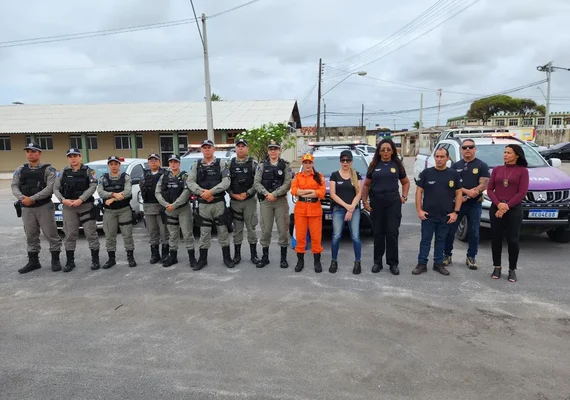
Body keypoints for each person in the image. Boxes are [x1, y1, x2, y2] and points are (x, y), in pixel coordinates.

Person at [11, 142, 62, 274]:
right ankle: (34, 261)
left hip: (43, 206)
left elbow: (50, 188)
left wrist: (32, 198)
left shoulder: (48, 169)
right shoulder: (21, 169)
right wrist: (22, 198)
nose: (30, 154)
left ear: (40, 153)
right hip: (27, 208)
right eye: (28, 151)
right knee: (30, 235)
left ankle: (55, 260)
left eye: (33, 151)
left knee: (51, 234)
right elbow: (14, 186)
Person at [362, 139, 410, 275]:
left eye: (388, 149)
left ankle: (393, 263)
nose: (385, 152)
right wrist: (365, 201)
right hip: (377, 202)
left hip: (393, 202)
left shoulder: (397, 165)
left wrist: (404, 196)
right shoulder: (374, 165)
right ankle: (377, 262)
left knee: (392, 233)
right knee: (378, 233)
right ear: (379, 151)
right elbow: (366, 185)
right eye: (383, 149)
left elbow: (405, 182)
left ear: (393, 150)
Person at [413, 147, 463, 276]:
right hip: (428, 215)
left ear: (447, 158)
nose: (439, 159)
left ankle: (438, 264)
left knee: (441, 240)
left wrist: (455, 212)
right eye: (437, 156)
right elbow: (419, 191)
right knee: (425, 240)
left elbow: (459, 194)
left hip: (445, 215)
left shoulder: (453, 174)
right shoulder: (426, 173)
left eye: (442, 157)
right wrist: (419, 210)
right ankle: (422, 264)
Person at [186, 139, 233, 270]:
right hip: (203, 204)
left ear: (213, 149)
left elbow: (226, 182)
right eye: (204, 148)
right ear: (201, 150)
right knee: (204, 232)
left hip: (218, 203)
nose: (207, 150)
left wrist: (211, 192)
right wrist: (202, 193)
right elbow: (190, 182)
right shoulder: (196, 165)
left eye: (209, 147)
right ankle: (202, 260)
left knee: (223, 231)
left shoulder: (221, 163)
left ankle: (227, 258)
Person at [443, 139, 490, 270]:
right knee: (450, 230)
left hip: (474, 204)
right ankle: (447, 255)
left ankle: (471, 257)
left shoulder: (482, 165)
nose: (467, 149)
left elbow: (484, 183)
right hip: (458, 204)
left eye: (470, 147)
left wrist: (472, 193)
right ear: (461, 150)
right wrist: (465, 193)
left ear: (475, 149)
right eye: (464, 147)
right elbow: (451, 184)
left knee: (474, 232)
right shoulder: (455, 165)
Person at [487, 144, 529, 283]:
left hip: (514, 209)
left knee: (513, 240)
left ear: (517, 155)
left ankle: (512, 269)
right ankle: (497, 267)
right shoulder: (497, 170)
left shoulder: (522, 171)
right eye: (504, 152)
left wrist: (506, 206)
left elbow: (522, 192)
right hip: (496, 207)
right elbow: (489, 190)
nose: (505, 155)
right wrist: (498, 204)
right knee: (496, 239)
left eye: (509, 152)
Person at [53, 148, 100, 272]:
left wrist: (81, 199)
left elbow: (93, 186)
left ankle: (95, 260)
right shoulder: (63, 171)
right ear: (68, 158)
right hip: (69, 206)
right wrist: (62, 200)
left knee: (91, 233)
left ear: (80, 157)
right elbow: (56, 188)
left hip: (85, 206)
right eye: (70, 156)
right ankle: (70, 262)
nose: (73, 158)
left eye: (75, 156)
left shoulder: (89, 171)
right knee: (69, 234)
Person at [253, 140, 292, 269]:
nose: (273, 151)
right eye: (271, 149)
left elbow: (288, 183)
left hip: (280, 201)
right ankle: (265, 258)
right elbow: (256, 183)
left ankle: (283, 259)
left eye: (275, 149)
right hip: (266, 201)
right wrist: (266, 194)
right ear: (268, 151)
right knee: (265, 230)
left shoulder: (285, 165)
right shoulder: (261, 165)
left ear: (279, 150)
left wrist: (275, 194)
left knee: (282, 230)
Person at [155, 154, 196, 268]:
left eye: (176, 162)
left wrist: (175, 204)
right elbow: (157, 192)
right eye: (171, 162)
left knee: (187, 234)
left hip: (183, 209)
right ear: (169, 163)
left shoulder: (185, 176)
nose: (173, 164)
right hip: (169, 209)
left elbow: (187, 192)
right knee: (173, 235)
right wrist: (166, 204)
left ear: (179, 163)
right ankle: (173, 257)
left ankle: (192, 258)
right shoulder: (164, 177)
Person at [97, 156, 136, 269]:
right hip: (109, 212)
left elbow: (128, 192)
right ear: (109, 165)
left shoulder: (126, 177)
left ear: (119, 165)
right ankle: (111, 259)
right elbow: (100, 192)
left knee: (127, 235)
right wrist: (113, 194)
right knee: (110, 235)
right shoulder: (103, 178)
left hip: (124, 210)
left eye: (116, 164)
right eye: (111, 164)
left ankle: (130, 258)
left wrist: (113, 199)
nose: (113, 166)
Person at [328, 150, 363, 274]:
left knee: (355, 236)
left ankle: (357, 262)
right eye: (343, 160)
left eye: (348, 160)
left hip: (354, 210)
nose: (345, 162)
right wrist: (346, 206)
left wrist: (351, 208)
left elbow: (359, 193)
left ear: (351, 161)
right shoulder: (334, 175)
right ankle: (334, 261)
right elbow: (332, 194)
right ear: (340, 161)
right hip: (338, 209)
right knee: (336, 236)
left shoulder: (356, 175)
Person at [291, 153, 326, 273]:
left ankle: (317, 262)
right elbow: (294, 191)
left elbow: (321, 193)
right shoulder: (298, 176)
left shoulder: (318, 176)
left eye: (309, 162)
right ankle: (300, 261)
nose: (307, 165)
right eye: (305, 162)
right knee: (300, 237)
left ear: (312, 163)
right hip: (301, 210)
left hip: (315, 210)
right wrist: (313, 191)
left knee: (316, 238)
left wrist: (306, 192)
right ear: (302, 164)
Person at [228, 138, 260, 265]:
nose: (240, 148)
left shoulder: (254, 164)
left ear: (247, 149)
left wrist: (247, 193)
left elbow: (257, 182)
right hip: (235, 201)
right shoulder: (229, 164)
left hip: (249, 201)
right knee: (237, 229)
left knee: (251, 228)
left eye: (243, 146)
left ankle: (254, 255)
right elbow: (225, 182)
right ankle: (237, 255)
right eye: (238, 146)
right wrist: (232, 194)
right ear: (235, 149)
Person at [140, 153, 169, 264]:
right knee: (152, 232)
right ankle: (155, 254)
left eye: (155, 160)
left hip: (162, 206)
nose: (153, 162)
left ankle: (165, 254)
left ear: (159, 162)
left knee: (164, 232)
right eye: (151, 160)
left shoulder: (165, 174)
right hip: (148, 207)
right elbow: (142, 188)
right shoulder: (144, 175)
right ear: (148, 162)